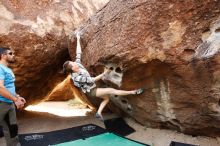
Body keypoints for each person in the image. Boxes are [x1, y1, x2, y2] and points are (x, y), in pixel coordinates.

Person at [63, 32, 144, 121]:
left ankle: (98, 113)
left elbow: (78, 52)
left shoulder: (78, 64)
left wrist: (78, 38)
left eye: (73, 62)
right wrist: (104, 74)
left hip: (93, 87)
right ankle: (133, 92)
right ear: (72, 68)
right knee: (111, 90)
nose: (74, 62)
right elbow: (92, 80)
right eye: (72, 64)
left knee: (106, 99)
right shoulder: (76, 77)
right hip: (91, 91)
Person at [0, 47, 26, 146]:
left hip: (9, 103)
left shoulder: (8, 69)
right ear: (3, 55)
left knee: (12, 128)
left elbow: (9, 86)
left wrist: (17, 96)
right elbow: (0, 88)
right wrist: (15, 100)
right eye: (10, 53)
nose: (13, 55)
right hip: (2, 103)